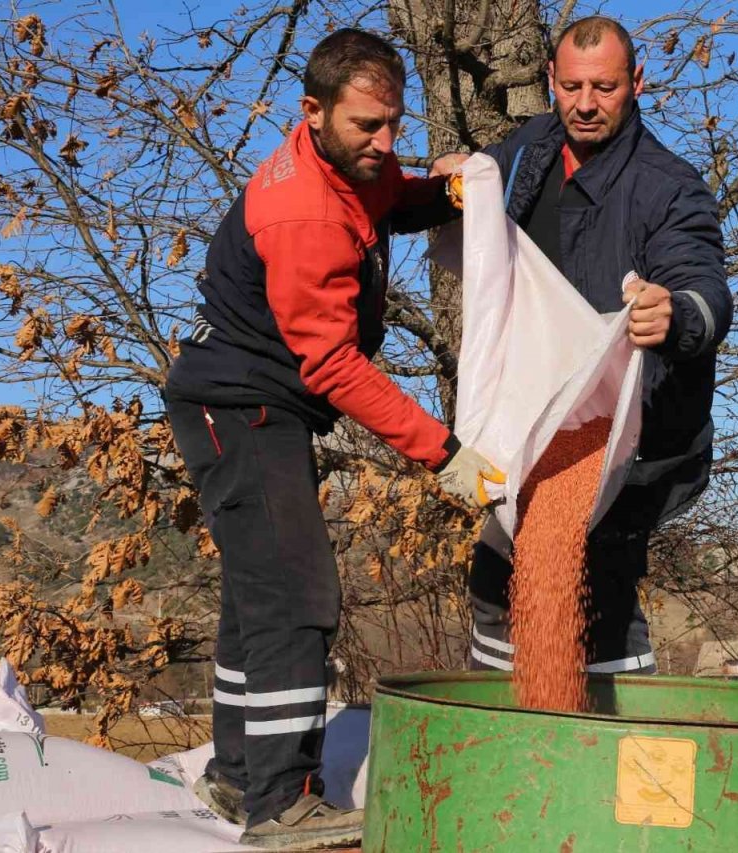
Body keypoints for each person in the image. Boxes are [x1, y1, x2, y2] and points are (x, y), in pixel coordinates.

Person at [163, 29, 502, 851]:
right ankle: (281, 802)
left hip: (254, 404)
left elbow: (389, 195)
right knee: (299, 595)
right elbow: (334, 367)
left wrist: (447, 192)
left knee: (258, 596)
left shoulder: (350, 166)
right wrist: (442, 451)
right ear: (311, 111)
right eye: (367, 128)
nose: (385, 145)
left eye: (394, 123)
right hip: (241, 408)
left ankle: (239, 771)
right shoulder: (304, 214)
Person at [451, 17, 733, 677]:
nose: (584, 104)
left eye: (604, 88)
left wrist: (679, 314)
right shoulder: (535, 147)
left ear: (635, 81)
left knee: (598, 595)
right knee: (496, 580)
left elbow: (705, 289)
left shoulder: (668, 186)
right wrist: (456, 178)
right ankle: (508, 730)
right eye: (571, 86)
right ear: (551, 80)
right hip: (544, 424)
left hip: (637, 441)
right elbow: (488, 174)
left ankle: (616, 750)